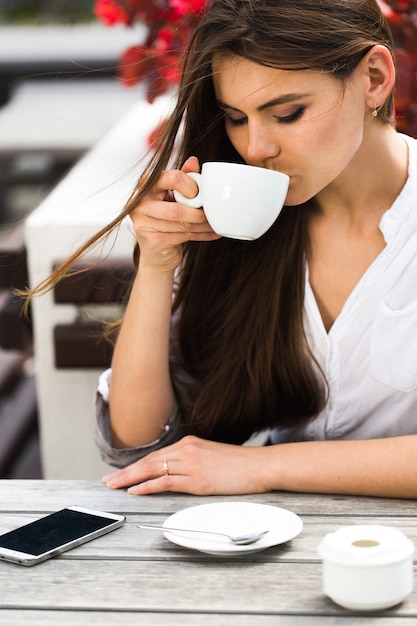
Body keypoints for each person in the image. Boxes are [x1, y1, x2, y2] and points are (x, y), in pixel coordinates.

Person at [31, 0, 417, 497]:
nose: (256, 148)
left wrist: (264, 467)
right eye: (236, 118)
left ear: (374, 77)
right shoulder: (238, 219)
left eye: (286, 113)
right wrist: (155, 262)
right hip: (267, 547)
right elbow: (137, 443)